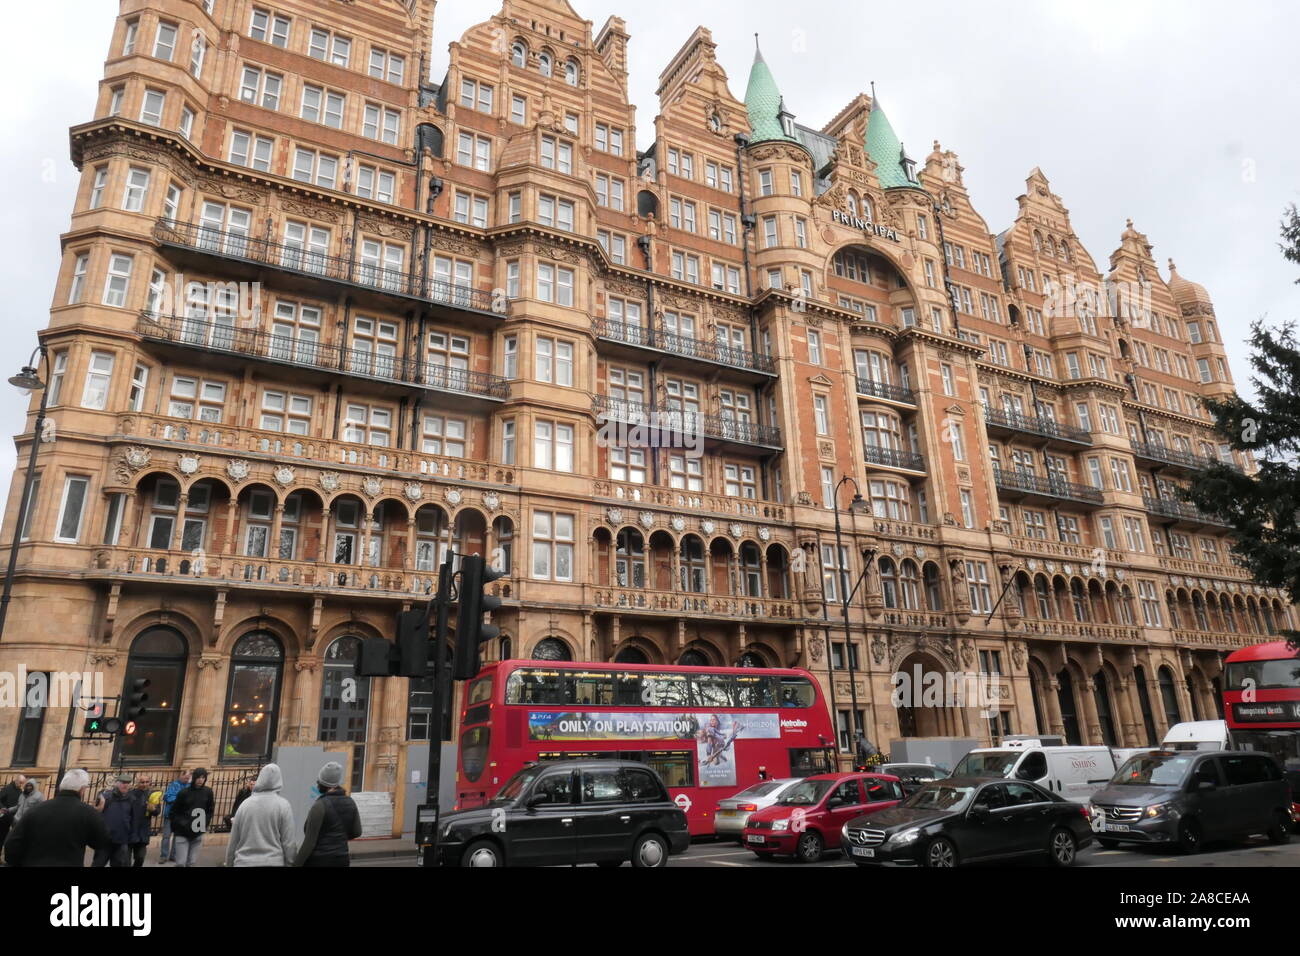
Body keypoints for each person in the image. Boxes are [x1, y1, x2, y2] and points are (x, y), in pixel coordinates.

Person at [3, 769, 110, 867]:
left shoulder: (35, 810)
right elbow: (101, 842)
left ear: (61, 786)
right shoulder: (88, 813)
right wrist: (99, 814)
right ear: (82, 789)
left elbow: (12, 844)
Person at [225, 764, 297, 867]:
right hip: (272, 861)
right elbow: (288, 842)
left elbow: (233, 840)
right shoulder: (283, 806)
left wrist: (229, 863)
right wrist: (290, 863)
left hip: (243, 862)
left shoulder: (245, 804)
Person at [294, 762, 361, 867]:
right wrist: (338, 838)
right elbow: (357, 832)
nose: (317, 783)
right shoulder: (351, 802)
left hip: (319, 860)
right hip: (342, 859)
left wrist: (296, 864)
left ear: (324, 783)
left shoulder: (320, 806)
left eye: (319, 781)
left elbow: (309, 843)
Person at [169, 767, 214, 867]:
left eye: (203, 777)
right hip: (182, 831)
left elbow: (210, 810)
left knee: (191, 862)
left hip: (198, 831)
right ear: (194, 778)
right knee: (181, 862)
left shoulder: (208, 792)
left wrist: (204, 824)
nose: (200, 780)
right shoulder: (184, 793)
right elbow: (174, 811)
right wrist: (179, 825)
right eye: (198, 777)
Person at [92, 774, 138, 867]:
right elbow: (97, 812)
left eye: (128, 783)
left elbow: (134, 819)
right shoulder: (106, 797)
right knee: (98, 863)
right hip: (105, 840)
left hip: (122, 840)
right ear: (117, 783)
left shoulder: (132, 799)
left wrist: (132, 836)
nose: (125, 785)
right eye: (123, 783)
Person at [157, 770, 190, 864]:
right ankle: (163, 855)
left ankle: (173, 855)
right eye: (186, 778)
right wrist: (180, 799)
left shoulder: (189, 787)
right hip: (170, 815)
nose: (187, 780)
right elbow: (167, 797)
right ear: (181, 776)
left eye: (188, 778)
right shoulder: (174, 785)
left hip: (181, 816)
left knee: (177, 837)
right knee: (166, 836)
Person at [127, 775, 158, 868]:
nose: (144, 784)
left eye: (146, 782)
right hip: (130, 830)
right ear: (137, 783)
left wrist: (153, 810)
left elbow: (157, 812)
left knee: (140, 857)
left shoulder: (152, 795)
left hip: (143, 832)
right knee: (125, 860)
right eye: (142, 782)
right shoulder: (130, 794)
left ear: (149, 783)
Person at [0, 774, 25, 853]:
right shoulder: (7, 788)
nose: (21, 784)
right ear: (16, 780)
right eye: (20, 782)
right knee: (1, 836)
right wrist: (2, 807)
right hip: (3, 816)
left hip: (12, 817)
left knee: (5, 837)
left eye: (22, 783)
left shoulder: (20, 791)